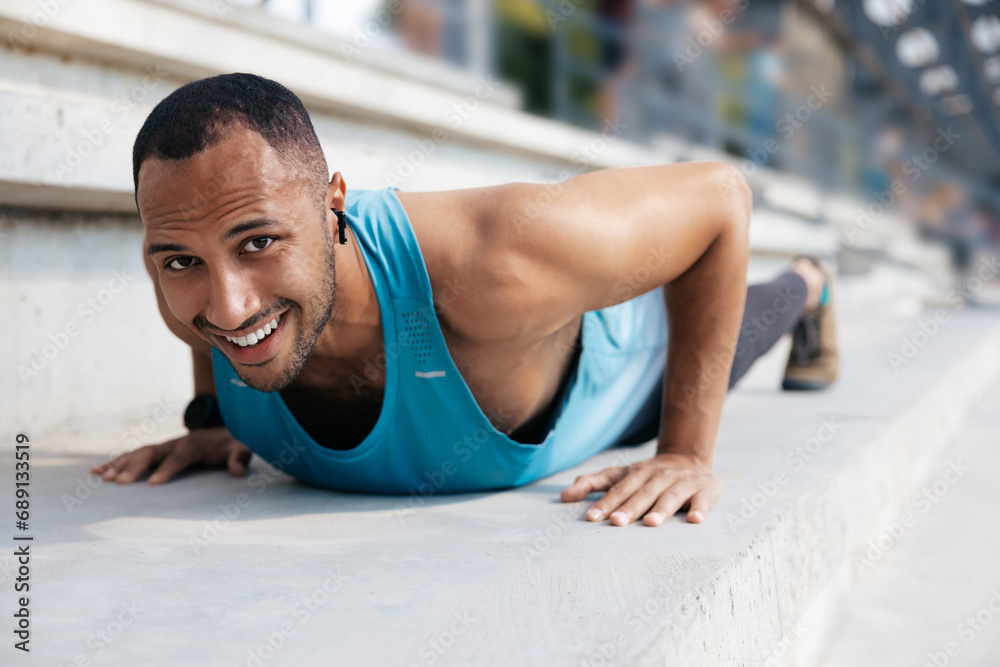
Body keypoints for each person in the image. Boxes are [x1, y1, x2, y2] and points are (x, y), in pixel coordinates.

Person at [91, 73, 837, 527]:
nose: (224, 306)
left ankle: (811, 283)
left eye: (258, 243)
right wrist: (219, 419)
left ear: (332, 207)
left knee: (759, 310)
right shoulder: (200, 282)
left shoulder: (499, 258)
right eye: (181, 259)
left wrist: (684, 452)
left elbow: (719, 198)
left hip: (632, 363)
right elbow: (214, 299)